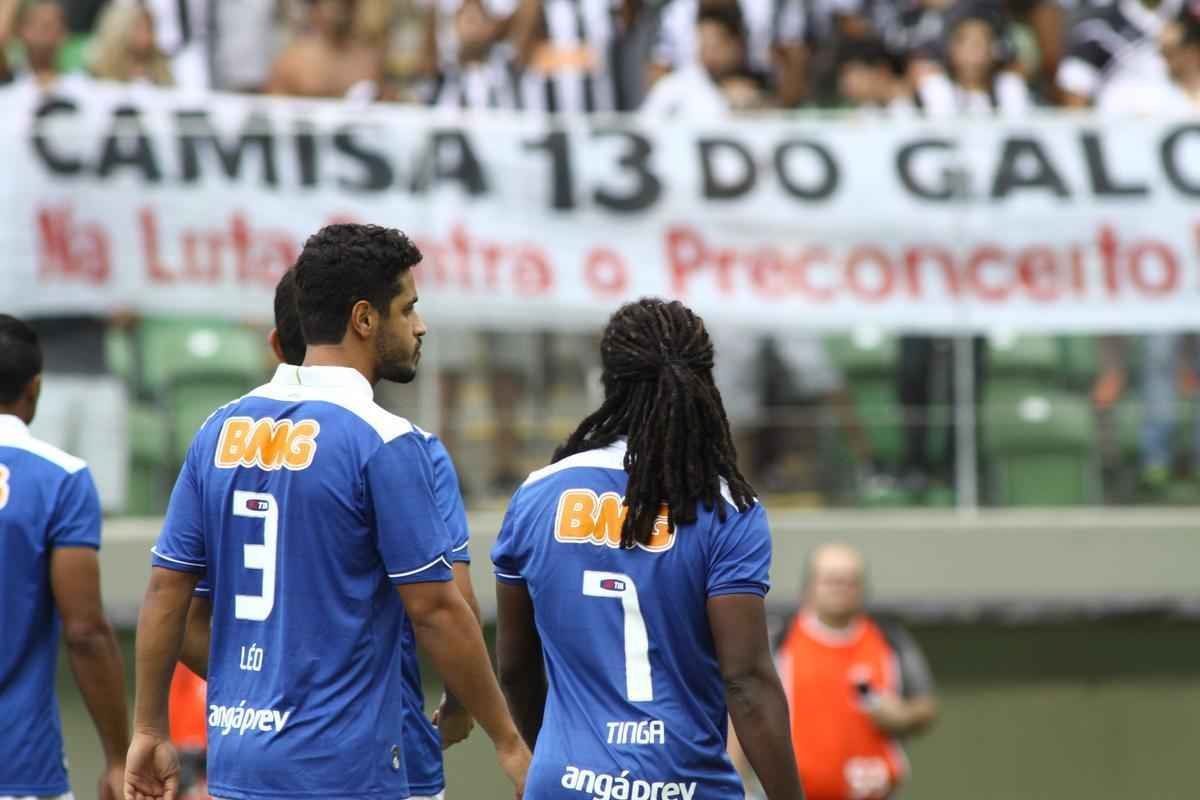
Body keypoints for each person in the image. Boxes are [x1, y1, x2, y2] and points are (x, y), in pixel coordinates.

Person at [125, 224, 529, 800]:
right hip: (343, 769)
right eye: (407, 308)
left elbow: (168, 591)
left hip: (240, 766)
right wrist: (509, 741)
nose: (420, 325)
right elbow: (440, 609)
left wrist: (148, 727)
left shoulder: (218, 429)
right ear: (365, 320)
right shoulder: (385, 441)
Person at [493, 298, 805, 799]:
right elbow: (746, 681)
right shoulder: (726, 508)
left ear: (610, 381)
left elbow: (514, 666)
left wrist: (549, 762)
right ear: (703, 383)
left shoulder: (537, 494)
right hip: (683, 785)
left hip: (564, 784)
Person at [0, 314, 130, 800]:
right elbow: (85, 632)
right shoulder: (62, 479)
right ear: (34, 390)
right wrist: (119, 756)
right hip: (18, 764)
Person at [748, 543, 937, 800]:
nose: (840, 588)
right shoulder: (778, 641)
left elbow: (926, 706)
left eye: (849, 581)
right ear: (808, 588)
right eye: (831, 580)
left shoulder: (890, 640)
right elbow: (743, 709)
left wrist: (903, 716)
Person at [914, 5, 1032, 114]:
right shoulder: (937, 87)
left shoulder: (1009, 86)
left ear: (994, 50)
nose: (974, 52)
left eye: (981, 43)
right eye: (966, 43)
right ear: (952, 49)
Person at [266, 0, 386, 99]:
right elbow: (276, 110)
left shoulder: (369, 61)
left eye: (347, 5)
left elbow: (386, 107)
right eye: (332, 5)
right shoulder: (292, 62)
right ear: (315, 11)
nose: (340, 13)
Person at [89, 0, 174, 85]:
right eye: (138, 29)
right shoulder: (100, 68)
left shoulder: (159, 65)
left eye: (149, 28)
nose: (145, 36)